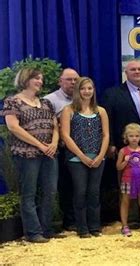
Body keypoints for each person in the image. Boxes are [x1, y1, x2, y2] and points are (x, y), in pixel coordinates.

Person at [1, 68, 59, 243]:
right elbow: (13, 127)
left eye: (41, 79)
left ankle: (47, 229)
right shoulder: (12, 102)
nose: (40, 82)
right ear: (26, 79)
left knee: (50, 191)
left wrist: (54, 143)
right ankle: (33, 232)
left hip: (49, 153)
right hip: (26, 154)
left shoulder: (46, 103)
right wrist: (40, 145)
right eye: (36, 78)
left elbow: (55, 126)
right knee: (29, 193)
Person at [60, 77, 109, 238]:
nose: (87, 91)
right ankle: (82, 228)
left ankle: (95, 227)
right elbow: (65, 135)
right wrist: (81, 156)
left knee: (94, 192)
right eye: (83, 88)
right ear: (77, 91)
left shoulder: (100, 111)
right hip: (76, 159)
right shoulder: (69, 110)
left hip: (97, 158)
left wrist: (101, 155)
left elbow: (105, 135)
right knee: (80, 192)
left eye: (89, 88)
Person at [44, 68, 80, 232]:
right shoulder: (49, 100)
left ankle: (80, 219)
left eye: (75, 80)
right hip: (62, 149)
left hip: (82, 148)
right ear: (60, 81)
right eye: (69, 80)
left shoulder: (84, 97)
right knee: (65, 186)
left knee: (79, 185)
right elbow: (45, 127)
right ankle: (68, 221)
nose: (73, 83)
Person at [116, 123, 140, 237]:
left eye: (137, 136)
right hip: (127, 179)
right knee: (125, 201)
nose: (134, 138)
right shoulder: (123, 151)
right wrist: (125, 161)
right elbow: (118, 167)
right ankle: (124, 225)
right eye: (131, 136)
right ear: (126, 137)